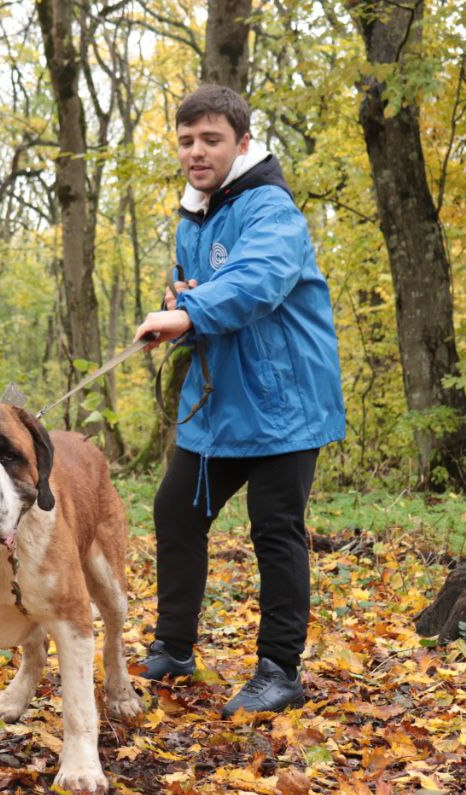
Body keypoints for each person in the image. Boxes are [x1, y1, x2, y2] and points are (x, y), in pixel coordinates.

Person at [133, 85, 345, 717]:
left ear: (243, 144)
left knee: (274, 529)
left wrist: (191, 308)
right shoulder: (193, 216)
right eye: (187, 140)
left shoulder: (270, 208)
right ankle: (173, 649)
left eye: (211, 139)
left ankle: (279, 670)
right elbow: (202, 291)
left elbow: (257, 281)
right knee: (175, 512)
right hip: (217, 406)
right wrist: (179, 310)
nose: (196, 152)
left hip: (284, 405)